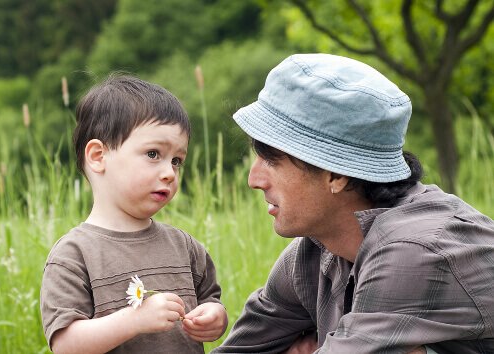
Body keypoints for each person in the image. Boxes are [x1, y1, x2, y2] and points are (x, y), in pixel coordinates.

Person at [212, 54, 494, 353]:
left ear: (336, 175)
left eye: (271, 159)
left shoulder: (414, 251)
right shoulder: (314, 251)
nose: (253, 179)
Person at [40, 75, 227, 354]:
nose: (169, 173)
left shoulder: (184, 246)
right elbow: (66, 345)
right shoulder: (74, 254)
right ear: (98, 156)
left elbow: (210, 300)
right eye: (153, 154)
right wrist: (134, 320)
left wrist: (215, 317)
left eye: (177, 161)